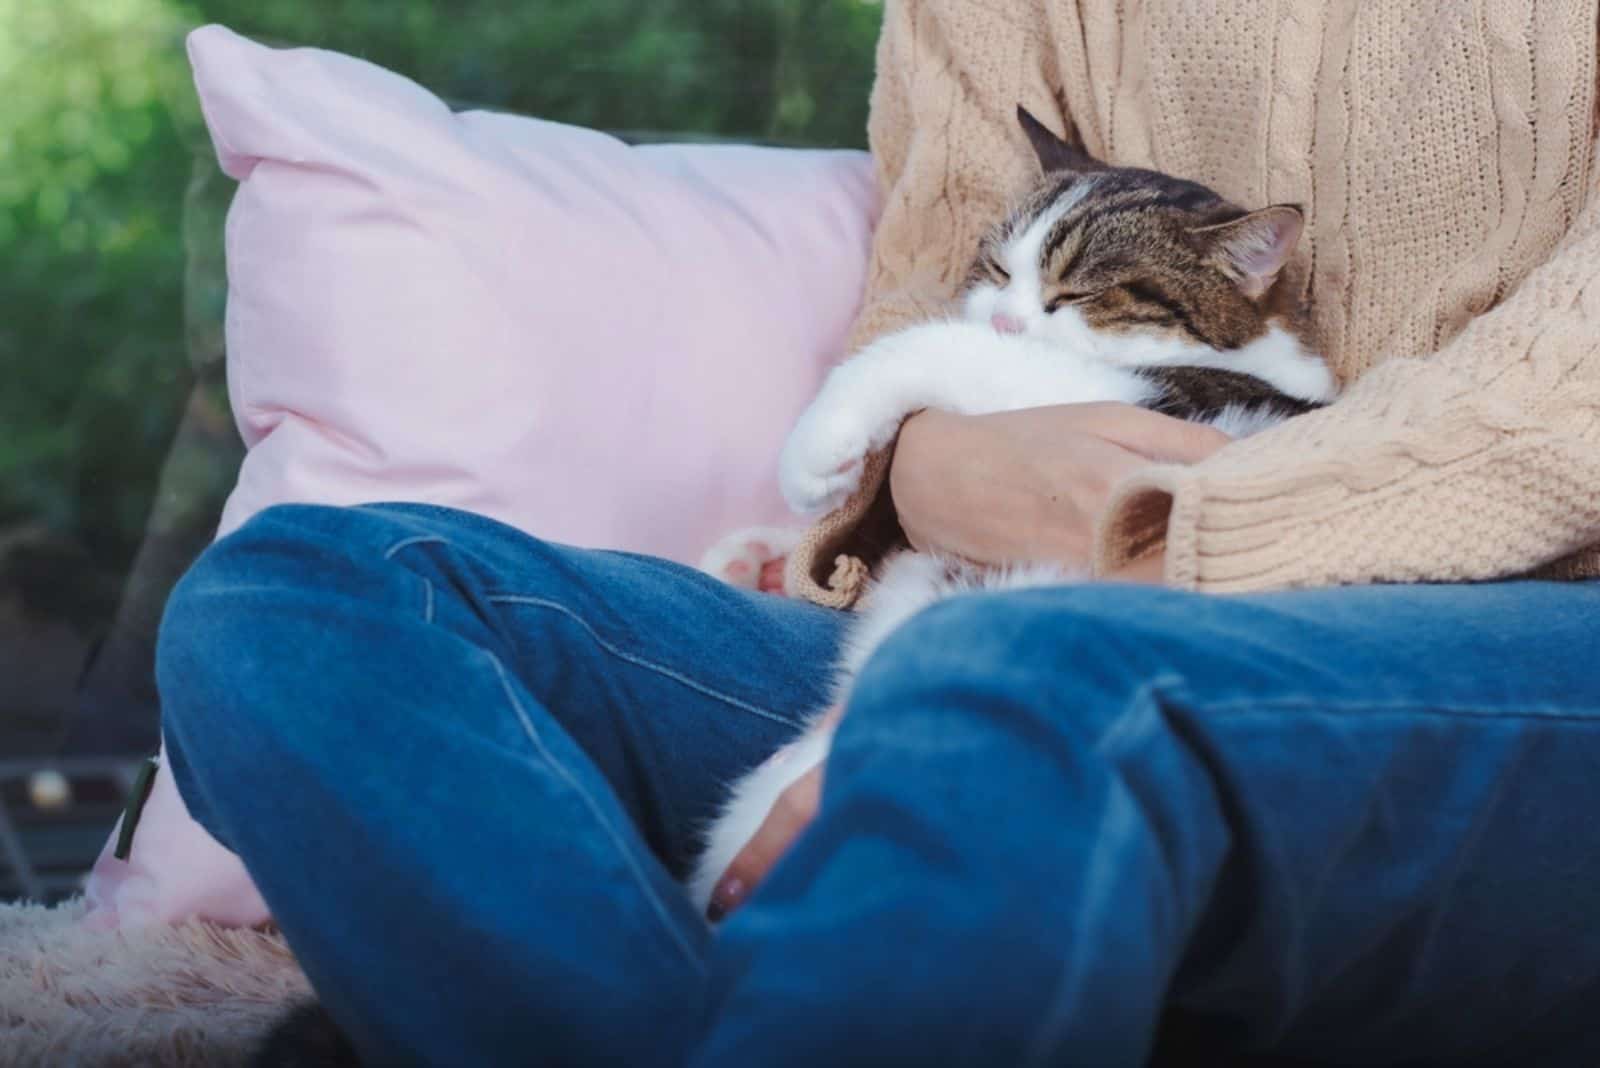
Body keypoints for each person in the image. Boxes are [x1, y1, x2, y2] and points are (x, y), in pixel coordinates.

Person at [159, 2, 1600, 1064]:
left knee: (1028, 676)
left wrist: (1170, 538)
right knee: (294, 603)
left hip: (1516, 623)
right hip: (959, 587)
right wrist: (923, 468)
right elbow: (934, 272)